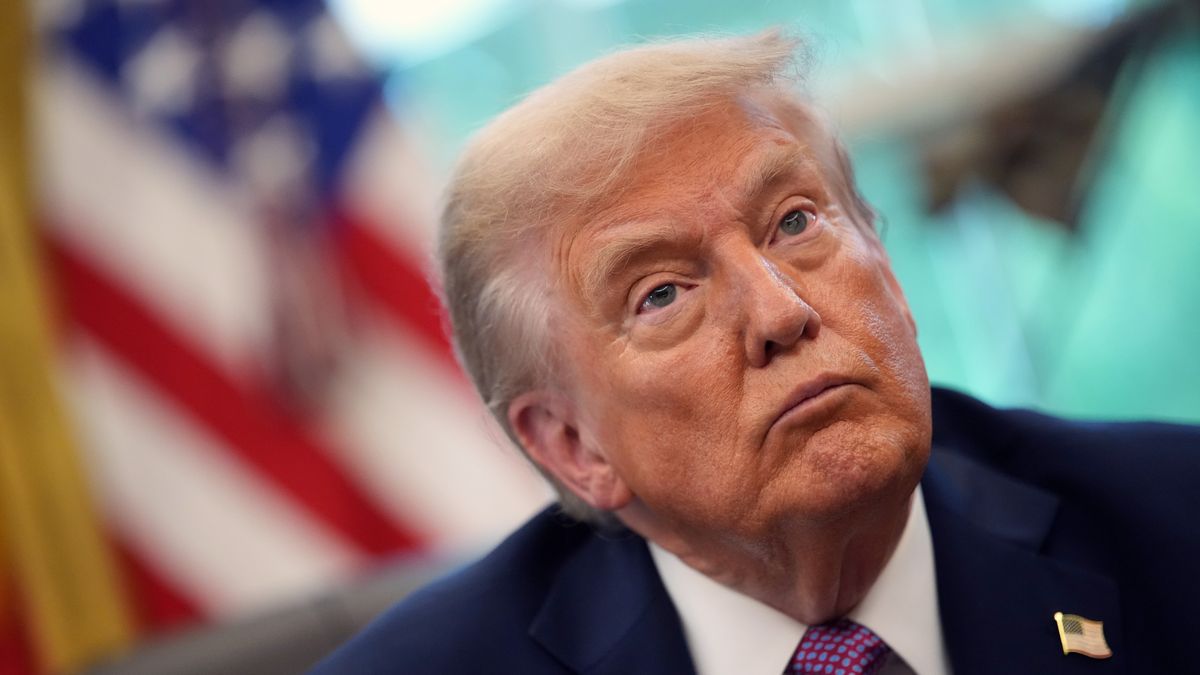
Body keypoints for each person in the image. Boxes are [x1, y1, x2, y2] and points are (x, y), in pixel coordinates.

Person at [312, 31, 1199, 675]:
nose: (782, 311)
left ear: (883, 258)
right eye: (660, 293)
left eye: (796, 222)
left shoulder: (1174, 521)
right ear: (573, 446)